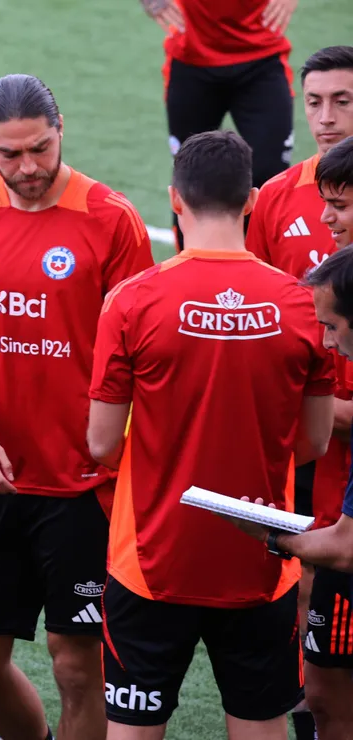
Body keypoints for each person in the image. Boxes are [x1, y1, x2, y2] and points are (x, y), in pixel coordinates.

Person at [0, 73, 154, 740]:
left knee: (78, 667)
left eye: (40, 150)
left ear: (62, 131)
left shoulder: (111, 219)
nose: (27, 168)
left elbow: (142, 353)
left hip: (86, 487)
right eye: (10, 154)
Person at [88, 129, 334, 740]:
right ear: (251, 199)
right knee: (259, 722)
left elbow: (98, 443)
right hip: (262, 559)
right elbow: (315, 443)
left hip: (150, 559)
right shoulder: (301, 305)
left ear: (176, 200)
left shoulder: (131, 301)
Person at [227, 136, 353, 740]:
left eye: (330, 328)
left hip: (335, 525)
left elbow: (346, 546)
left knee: (330, 689)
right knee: (324, 688)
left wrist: (268, 532)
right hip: (328, 498)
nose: (325, 343)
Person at [140, 0, 297, 250]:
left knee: (270, 176)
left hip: (262, 58)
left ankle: (263, 274)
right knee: (191, 175)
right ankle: (189, 274)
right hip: (191, 59)